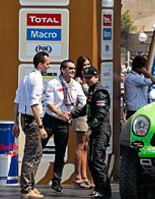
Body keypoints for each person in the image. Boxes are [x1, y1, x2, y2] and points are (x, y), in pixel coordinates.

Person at [42, 59, 86, 194]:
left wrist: (72, 114)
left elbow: (83, 102)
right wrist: (60, 113)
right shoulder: (52, 83)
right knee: (38, 149)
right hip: (50, 120)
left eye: (73, 69)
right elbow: (49, 103)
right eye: (70, 68)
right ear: (62, 70)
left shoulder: (77, 85)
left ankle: (56, 181)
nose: (73, 71)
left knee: (60, 153)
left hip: (64, 122)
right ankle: (29, 181)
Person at [13, 52, 51, 199]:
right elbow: (34, 104)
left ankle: (30, 186)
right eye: (47, 63)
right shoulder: (36, 79)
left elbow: (17, 100)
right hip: (32, 119)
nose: (49, 66)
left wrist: (16, 122)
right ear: (40, 64)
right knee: (31, 154)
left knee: (37, 152)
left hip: (25, 117)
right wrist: (40, 126)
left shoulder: (26, 76)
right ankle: (26, 188)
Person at [70, 66, 112, 199]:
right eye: (85, 78)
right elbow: (86, 109)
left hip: (101, 130)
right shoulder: (92, 91)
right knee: (91, 160)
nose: (87, 80)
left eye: (89, 78)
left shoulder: (100, 92)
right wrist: (72, 114)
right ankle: (98, 189)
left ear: (96, 77)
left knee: (97, 160)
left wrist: (90, 128)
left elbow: (100, 114)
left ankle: (105, 191)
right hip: (96, 130)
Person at [72, 56, 92, 190]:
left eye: (88, 64)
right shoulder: (77, 81)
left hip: (88, 116)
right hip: (80, 116)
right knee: (80, 146)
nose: (86, 67)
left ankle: (85, 175)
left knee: (85, 146)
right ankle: (78, 176)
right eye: (84, 65)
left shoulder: (89, 79)